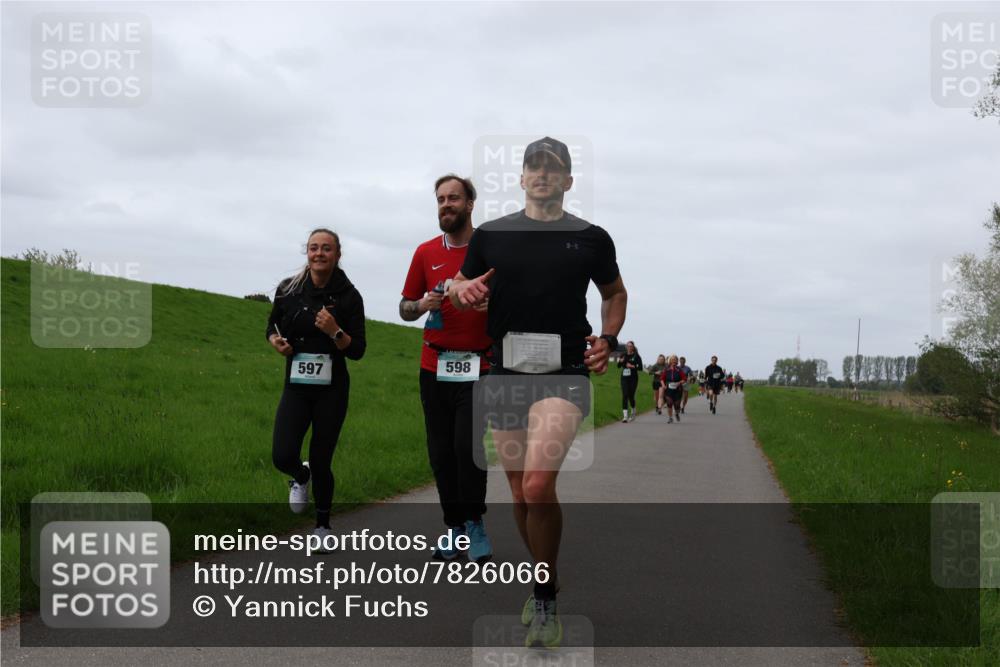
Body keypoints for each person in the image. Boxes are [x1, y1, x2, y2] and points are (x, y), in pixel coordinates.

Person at [449, 136, 626, 649]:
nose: (542, 174)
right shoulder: (491, 235)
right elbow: (458, 287)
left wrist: (608, 338)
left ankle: (545, 597)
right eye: (534, 167)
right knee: (517, 491)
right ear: (522, 178)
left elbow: (615, 293)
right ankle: (543, 574)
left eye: (553, 168)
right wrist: (463, 290)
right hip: (505, 372)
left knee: (537, 484)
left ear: (568, 179)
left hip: (563, 372)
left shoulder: (592, 238)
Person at [399, 174, 493, 563]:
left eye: (453, 198)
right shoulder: (425, 252)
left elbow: (519, 303)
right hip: (434, 366)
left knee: (466, 447)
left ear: (470, 204)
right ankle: (453, 528)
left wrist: (495, 305)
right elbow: (404, 309)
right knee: (440, 453)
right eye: (440, 199)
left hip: (479, 367)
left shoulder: (491, 251)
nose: (446, 205)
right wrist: (422, 305)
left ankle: (475, 523)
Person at [266, 229, 366, 546]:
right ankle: (300, 475)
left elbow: (358, 350)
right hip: (296, 387)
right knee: (282, 455)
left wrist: (336, 332)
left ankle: (322, 527)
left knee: (321, 460)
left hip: (331, 390)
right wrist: (276, 342)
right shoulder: (288, 290)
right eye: (313, 248)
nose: (319, 253)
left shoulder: (350, 296)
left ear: (337, 255)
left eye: (326, 248)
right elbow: (271, 326)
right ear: (306, 253)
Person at [618, 341, 642, 422]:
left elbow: (640, 367)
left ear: (633, 347)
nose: (629, 347)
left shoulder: (636, 356)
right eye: (628, 346)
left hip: (633, 378)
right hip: (624, 378)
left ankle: (633, 410)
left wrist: (632, 366)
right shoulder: (623, 355)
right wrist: (620, 361)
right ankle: (625, 416)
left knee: (631, 395)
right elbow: (618, 366)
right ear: (626, 347)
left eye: (630, 346)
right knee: (625, 395)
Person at [660, 355, 686, 424]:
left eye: (675, 360)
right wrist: (663, 385)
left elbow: (684, 379)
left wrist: (679, 382)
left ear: (677, 361)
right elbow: (662, 379)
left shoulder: (679, 370)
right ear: (670, 361)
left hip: (678, 389)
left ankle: (676, 413)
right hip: (668, 389)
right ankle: (670, 418)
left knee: (677, 405)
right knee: (669, 403)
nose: (674, 361)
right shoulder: (666, 369)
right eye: (672, 360)